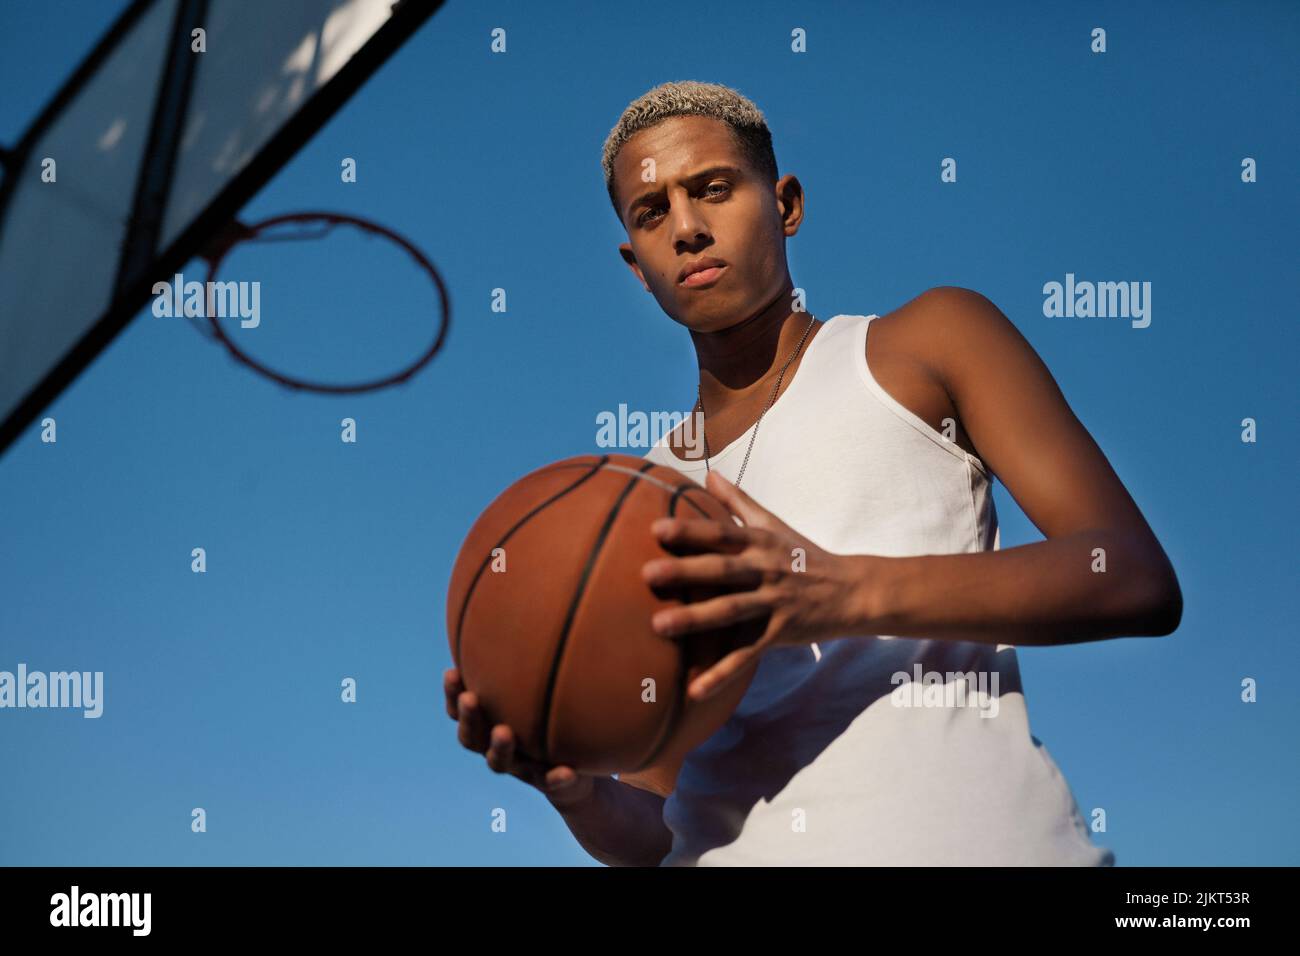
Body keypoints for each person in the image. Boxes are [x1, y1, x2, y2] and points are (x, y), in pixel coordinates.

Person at [445, 80, 1182, 866]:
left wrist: (846, 592)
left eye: (714, 190)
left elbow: (1132, 575)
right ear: (635, 264)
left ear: (786, 204)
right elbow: (661, 821)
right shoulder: (637, 494)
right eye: (652, 212)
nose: (688, 229)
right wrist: (577, 791)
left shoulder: (924, 344)